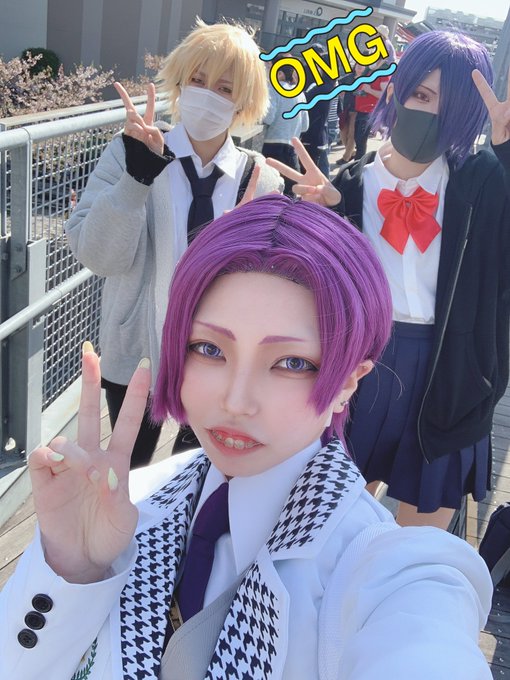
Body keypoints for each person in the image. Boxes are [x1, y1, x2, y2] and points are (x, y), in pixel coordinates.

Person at [0, 195, 492, 679]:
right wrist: (72, 571)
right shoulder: (134, 499)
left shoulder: (384, 571)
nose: (236, 402)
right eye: (209, 349)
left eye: (291, 363)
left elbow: (425, 637)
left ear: (348, 381)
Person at [265, 31, 510, 530]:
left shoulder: (483, 183)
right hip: (360, 366)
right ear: (395, 90)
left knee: (418, 547)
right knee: (329, 527)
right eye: (419, 92)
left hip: (450, 374)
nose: (427, 111)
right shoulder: (349, 187)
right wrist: (322, 217)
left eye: (446, 104)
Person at [65, 20, 282, 467]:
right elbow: (98, 256)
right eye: (198, 80)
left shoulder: (260, 180)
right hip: (137, 351)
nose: (208, 95)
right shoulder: (130, 150)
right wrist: (135, 180)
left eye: (225, 88)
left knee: (196, 471)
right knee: (129, 468)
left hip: (219, 358)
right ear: (180, 83)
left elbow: (271, 284)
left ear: (243, 102)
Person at [262, 60, 309, 196]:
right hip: (292, 148)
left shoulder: (273, 88)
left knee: (269, 190)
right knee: (291, 192)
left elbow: (268, 118)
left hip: (272, 145)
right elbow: (305, 126)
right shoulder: (300, 93)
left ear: (280, 74)